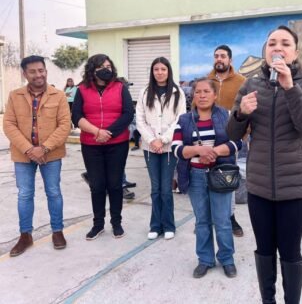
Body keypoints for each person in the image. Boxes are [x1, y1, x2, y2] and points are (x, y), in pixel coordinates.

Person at [227, 26, 302, 304]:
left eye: (285, 43)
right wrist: (240, 114)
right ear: (265, 51)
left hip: (295, 186)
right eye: (272, 43)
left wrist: (289, 88)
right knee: (264, 250)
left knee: (290, 251)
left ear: (295, 52)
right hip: (259, 184)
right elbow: (233, 134)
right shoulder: (250, 85)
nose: (277, 47)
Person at [172, 78, 242, 279]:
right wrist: (197, 150)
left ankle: (227, 259)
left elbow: (237, 143)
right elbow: (176, 148)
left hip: (220, 176)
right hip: (195, 176)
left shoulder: (226, 115)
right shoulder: (184, 120)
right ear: (193, 96)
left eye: (206, 91)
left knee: (222, 221)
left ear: (214, 94)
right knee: (202, 221)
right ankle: (205, 260)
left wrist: (213, 152)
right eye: (197, 92)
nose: (201, 95)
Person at [3, 55, 70, 256]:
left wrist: (45, 148)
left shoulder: (58, 96)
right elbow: (8, 124)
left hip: (51, 153)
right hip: (23, 155)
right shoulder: (15, 96)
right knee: (25, 195)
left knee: (53, 192)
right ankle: (25, 236)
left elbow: (65, 125)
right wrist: (29, 149)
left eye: (41, 70)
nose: (38, 74)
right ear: (25, 74)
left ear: (46, 71)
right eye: (32, 71)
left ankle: (57, 231)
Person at [72, 54, 133, 240]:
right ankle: (98, 224)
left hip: (117, 144)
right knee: (97, 186)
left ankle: (117, 223)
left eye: (109, 65)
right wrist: (96, 132)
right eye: (101, 67)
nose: (106, 69)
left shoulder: (120, 87)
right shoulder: (82, 89)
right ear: (92, 69)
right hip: (91, 145)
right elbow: (76, 116)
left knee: (115, 185)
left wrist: (109, 132)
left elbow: (128, 113)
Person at [136, 56, 186, 240]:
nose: (159, 72)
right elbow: (140, 120)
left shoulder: (177, 92)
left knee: (166, 188)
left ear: (168, 71)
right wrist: (151, 140)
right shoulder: (144, 92)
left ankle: (168, 225)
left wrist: (163, 139)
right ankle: (155, 226)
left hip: (168, 148)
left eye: (163, 69)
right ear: (152, 72)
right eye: (156, 69)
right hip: (150, 148)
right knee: (155, 188)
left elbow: (179, 119)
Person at [207, 44, 246, 237]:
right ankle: (209, 217)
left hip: (231, 139)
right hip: (207, 139)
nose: (219, 59)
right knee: (207, 178)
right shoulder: (207, 80)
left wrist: (244, 135)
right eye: (216, 56)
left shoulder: (241, 81)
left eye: (223, 56)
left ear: (230, 59)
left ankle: (230, 217)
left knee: (228, 179)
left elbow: (247, 111)